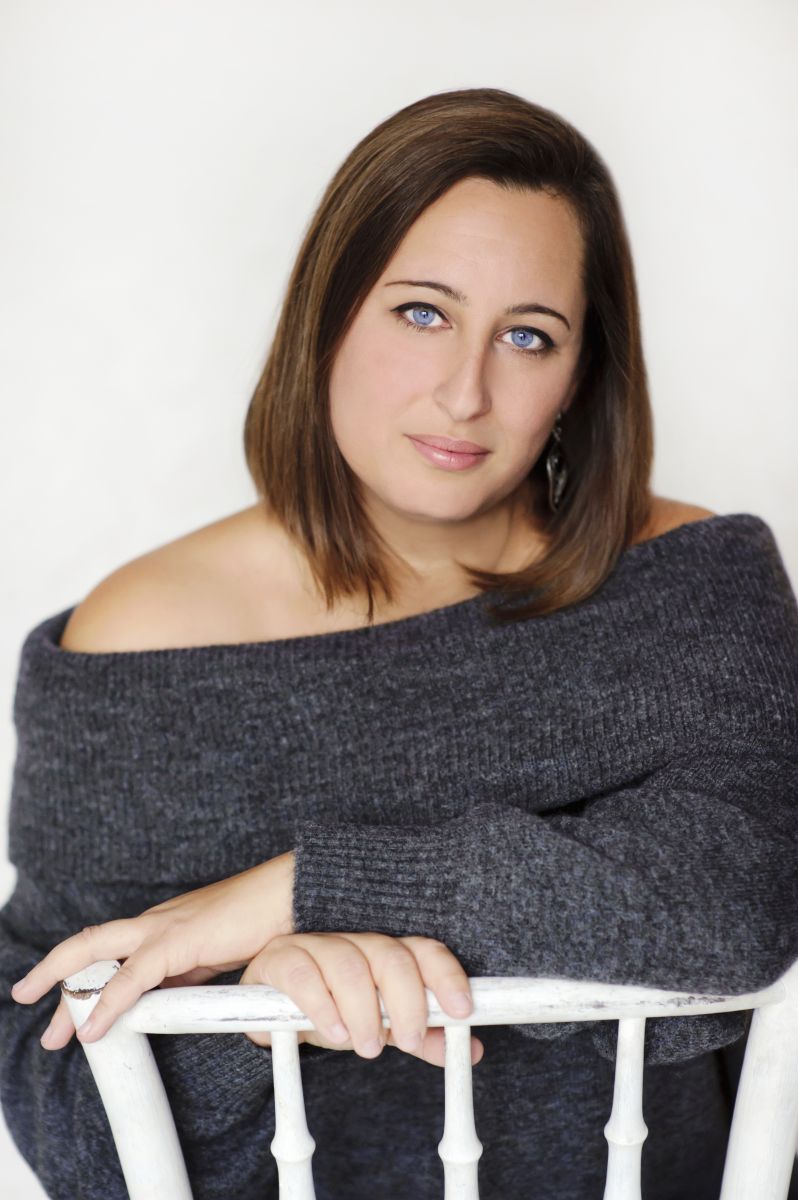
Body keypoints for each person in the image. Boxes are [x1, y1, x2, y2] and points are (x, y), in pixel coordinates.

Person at [1, 85, 797, 1200]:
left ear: (579, 377)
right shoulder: (140, 644)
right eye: (422, 313)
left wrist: (314, 888)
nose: (466, 394)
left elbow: (742, 900)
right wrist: (266, 1010)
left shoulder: (689, 584)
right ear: (327, 314)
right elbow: (60, 1101)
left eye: (528, 336)